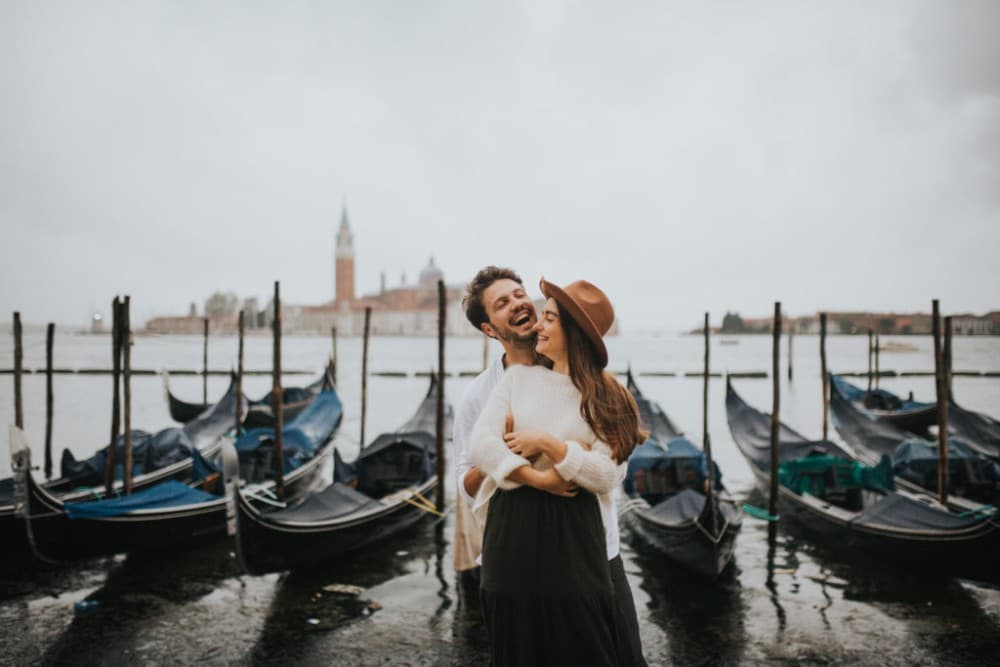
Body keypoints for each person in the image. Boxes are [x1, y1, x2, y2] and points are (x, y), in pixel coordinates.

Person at [468, 277, 648, 666]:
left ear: (574, 331)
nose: (538, 324)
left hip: (577, 541)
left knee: (587, 649)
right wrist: (542, 479)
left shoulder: (608, 397)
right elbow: (481, 445)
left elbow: (607, 475)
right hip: (512, 533)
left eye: (549, 317)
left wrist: (550, 446)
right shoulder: (516, 379)